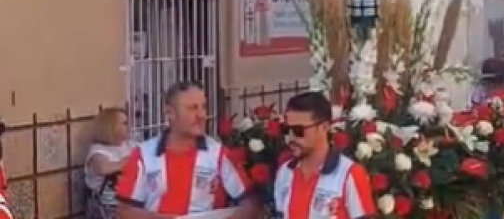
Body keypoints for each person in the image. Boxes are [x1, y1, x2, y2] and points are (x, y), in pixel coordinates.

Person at [116, 81, 260, 219]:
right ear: (170, 113)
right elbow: (125, 211)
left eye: (203, 107)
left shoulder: (218, 154)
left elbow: (251, 203)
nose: (202, 115)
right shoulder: (144, 155)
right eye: (192, 108)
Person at [274, 91, 376, 219]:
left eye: (298, 131)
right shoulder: (285, 173)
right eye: (286, 130)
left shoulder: (349, 173)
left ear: (324, 127)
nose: (290, 137)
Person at [85, 107, 135, 219]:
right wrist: (127, 161)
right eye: (124, 123)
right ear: (111, 127)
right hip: (108, 204)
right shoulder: (98, 150)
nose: (129, 127)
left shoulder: (129, 145)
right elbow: (103, 168)